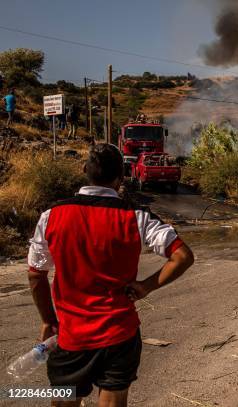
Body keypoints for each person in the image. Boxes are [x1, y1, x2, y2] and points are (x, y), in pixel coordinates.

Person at [27, 144, 195, 407]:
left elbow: (36, 275)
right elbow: (183, 256)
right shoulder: (136, 216)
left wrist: (49, 321)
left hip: (71, 337)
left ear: (85, 170)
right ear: (121, 178)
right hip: (119, 335)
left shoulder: (51, 216)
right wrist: (145, 287)